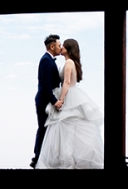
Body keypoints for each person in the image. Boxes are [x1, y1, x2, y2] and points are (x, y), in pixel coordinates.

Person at [35, 38, 104, 170]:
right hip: (73, 94)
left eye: (63, 46)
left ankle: (65, 159)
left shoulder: (68, 63)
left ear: (69, 49)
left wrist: (60, 100)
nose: (61, 48)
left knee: (65, 129)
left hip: (68, 95)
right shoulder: (72, 62)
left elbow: (66, 83)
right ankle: (69, 158)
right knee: (71, 129)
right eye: (60, 45)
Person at [32, 35, 63, 166]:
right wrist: (54, 100)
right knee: (43, 128)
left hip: (46, 100)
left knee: (46, 129)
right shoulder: (46, 60)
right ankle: (37, 158)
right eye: (59, 45)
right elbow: (45, 84)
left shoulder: (49, 60)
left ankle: (41, 158)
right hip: (44, 101)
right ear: (52, 46)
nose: (60, 48)